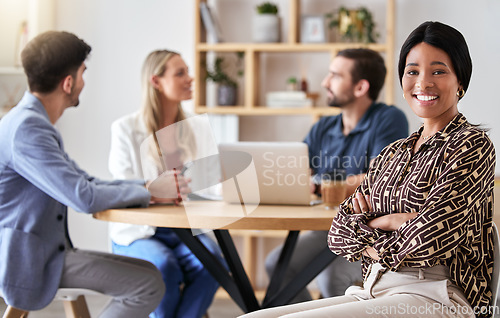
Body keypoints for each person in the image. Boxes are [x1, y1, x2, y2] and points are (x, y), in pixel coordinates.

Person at [240, 21, 495, 318]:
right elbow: (338, 232)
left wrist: (372, 231)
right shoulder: (393, 152)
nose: (423, 83)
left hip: (437, 294)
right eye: (412, 71)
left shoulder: (471, 145)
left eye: (438, 71)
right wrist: (392, 222)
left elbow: (429, 239)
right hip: (374, 288)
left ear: (460, 81)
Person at [0, 31, 165, 317]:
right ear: (68, 83)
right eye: (82, 73)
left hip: (43, 251)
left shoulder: (31, 122)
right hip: (26, 260)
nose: (84, 82)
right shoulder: (29, 129)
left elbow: (85, 181)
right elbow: (84, 197)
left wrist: (147, 186)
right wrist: (150, 192)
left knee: (149, 272)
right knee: (148, 283)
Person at [264, 48, 409, 302]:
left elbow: (381, 177)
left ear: (360, 87)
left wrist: (321, 186)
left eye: (335, 76)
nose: (324, 82)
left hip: (367, 233)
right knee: (278, 266)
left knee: (333, 279)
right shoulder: (323, 127)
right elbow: (298, 170)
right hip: (326, 229)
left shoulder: (389, 119)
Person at [108, 49, 223, 318]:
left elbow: (210, 185)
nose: (190, 78)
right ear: (156, 81)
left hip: (186, 229)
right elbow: (124, 188)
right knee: (163, 267)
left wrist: (225, 184)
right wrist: (157, 191)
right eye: (180, 73)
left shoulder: (196, 128)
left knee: (215, 264)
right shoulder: (125, 129)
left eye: (188, 72)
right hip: (139, 233)